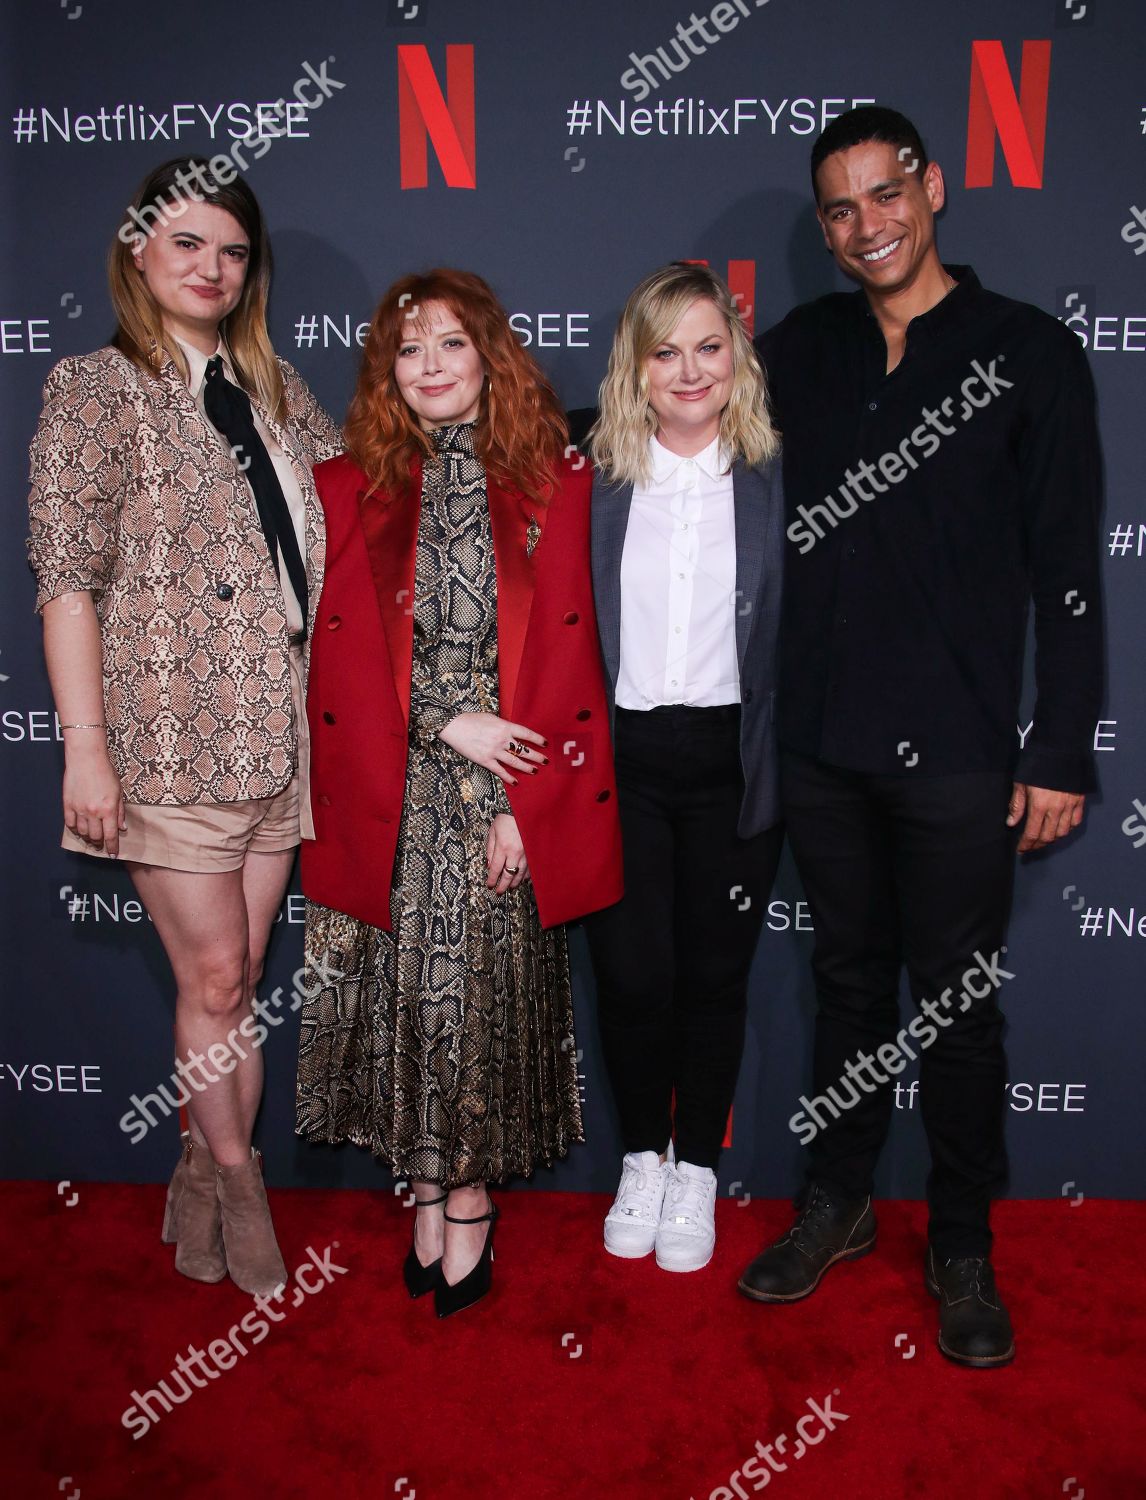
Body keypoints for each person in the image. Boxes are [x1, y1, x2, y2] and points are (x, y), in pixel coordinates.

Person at [738, 107, 1103, 1367]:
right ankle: (836, 1205)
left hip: (957, 752)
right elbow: (660, 417)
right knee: (845, 985)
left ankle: (962, 1242)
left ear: (932, 189)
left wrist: (1059, 746)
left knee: (954, 1007)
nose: (866, 226)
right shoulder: (799, 349)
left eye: (886, 194)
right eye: (840, 209)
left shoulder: (1030, 352)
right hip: (824, 747)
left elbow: (1069, 570)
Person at [26, 157, 342, 1296]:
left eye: (233, 251)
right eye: (188, 245)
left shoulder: (274, 390)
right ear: (138, 255)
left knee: (244, 969)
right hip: (167, 739)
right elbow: (66, 579)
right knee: (213, 974)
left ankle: (199, 1181)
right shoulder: (94, 388)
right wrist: (85, 743)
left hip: (284, 735)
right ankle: (239, 1183)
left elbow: (361, 498)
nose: (211, 268)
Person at [295, 269, 623, 1318]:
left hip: (510, 788)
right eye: (408, 349)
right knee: (403, 998)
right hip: (388, 785)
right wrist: (443, 719)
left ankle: (470, 1196)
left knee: (474, 998)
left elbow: (578, 661)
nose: (430, 366)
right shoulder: (346, 483)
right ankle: (424, 1185)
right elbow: (328, 657)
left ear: (489, 352)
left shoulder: (558, 477)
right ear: (385, 370)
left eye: (450, 343)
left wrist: (528, 808)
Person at [584, 262, 785, 1273]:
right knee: (630, 975)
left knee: (716, 972)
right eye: (666, 351)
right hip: (620, 761)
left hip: (731, 758)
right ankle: (639, 1161)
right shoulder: (593, 473)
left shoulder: (778, 472)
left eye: (709, 346)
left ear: (735, 356)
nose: (689, 369)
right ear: (637, 367)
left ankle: (695, 1166)